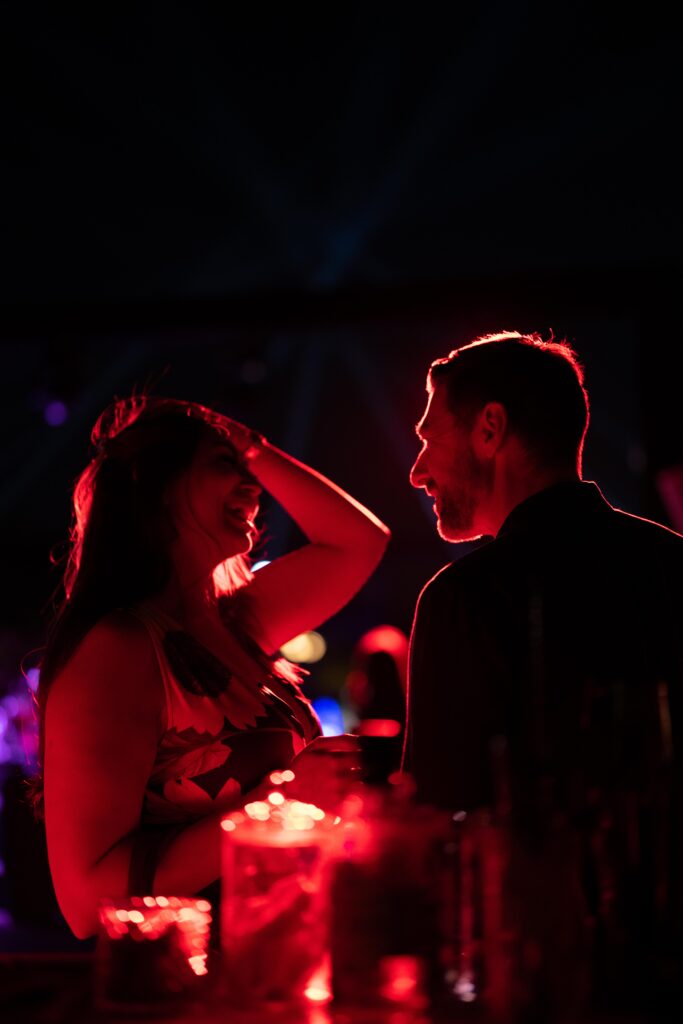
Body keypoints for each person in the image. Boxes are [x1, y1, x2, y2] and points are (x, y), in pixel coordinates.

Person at [35, 396, 389, 940]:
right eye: (226, 466)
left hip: (286, 955)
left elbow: (359, 541)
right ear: (157, 485)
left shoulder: (236, 622)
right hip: (192, 977)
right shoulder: (119, 646)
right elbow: (86, 902)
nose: (255, 486)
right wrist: (282, 797)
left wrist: (253, 447)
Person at [404, 332, 683, 1012]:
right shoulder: (673, 565)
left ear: (490, 429)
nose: (417, 471)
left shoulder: (466, 598)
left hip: (538, 976)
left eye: (429, 438)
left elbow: (440, 821)